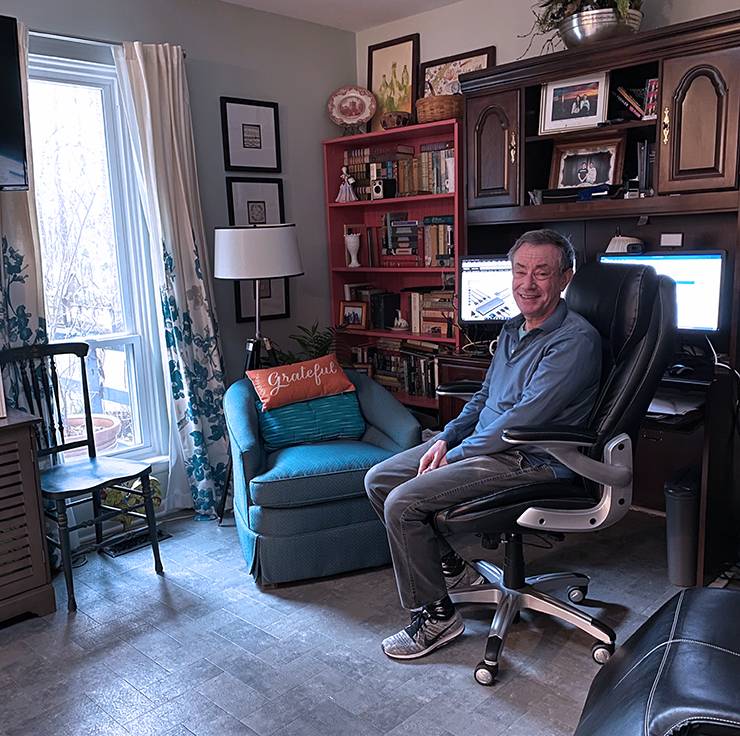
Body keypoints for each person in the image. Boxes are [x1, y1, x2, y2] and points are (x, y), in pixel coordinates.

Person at [365, 229, 602, 660]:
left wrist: (454, 454)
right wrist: (447, 437)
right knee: (380, 479)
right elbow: (484, 398)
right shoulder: (513, 328)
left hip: (531, 457)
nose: (527, 283)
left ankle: (436, 616)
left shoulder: (574, 342)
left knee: (402, 503)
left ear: (565, 278)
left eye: (542, 272)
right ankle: (453, 570)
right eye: (520, 271)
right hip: (484, 446)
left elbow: (523, 420)